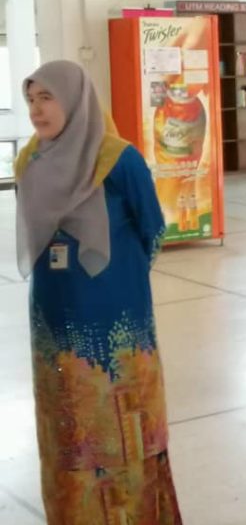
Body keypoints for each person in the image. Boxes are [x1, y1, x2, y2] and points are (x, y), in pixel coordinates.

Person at [14, 60, 182, 524]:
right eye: (31, 100)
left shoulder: (118, 158)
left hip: (117, 319)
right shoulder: (29, 160)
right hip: (53, 318)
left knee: (125, 424)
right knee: (67, 428)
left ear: (74, 100)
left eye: (46, 98)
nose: (36, 109)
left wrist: (115, 278)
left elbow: (152, 230)